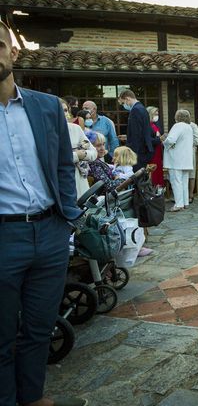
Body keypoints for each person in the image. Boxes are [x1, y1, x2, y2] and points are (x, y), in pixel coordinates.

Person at [0, 21, 86, 406]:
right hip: (4, 238)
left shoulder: (46, 106)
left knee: (38, 329)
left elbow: (64, 165)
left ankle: (32, 398)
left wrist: (67, 215)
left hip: (50, 233)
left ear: (13, 51)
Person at [61, 100, 97, 199]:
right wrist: (76, 155)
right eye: (60, 110)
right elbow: (54, 159)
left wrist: (83, 154)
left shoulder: (75, 129)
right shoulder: (47, 132)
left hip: (81, 180)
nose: (64, 113)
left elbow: (94, 153)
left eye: (65, 110)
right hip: (62, 183)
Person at [162, 109, 194, 212]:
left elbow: (171, 140)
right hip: (186, 158)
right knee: (184, 181)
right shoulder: (189, 127)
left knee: (176, 181)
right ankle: (185, 202)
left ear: (178, 117)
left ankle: (178, 204)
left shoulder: (177, 126)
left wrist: (164, 142)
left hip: (176, 158)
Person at [117, 89, 154, 172]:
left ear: (127, 99)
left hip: (137, 152)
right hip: (144, 149)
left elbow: (136, 134)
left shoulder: (135, 110)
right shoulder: (142, 108)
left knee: (137, 179)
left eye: (123, 103)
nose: (123, 106)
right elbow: (142, 131)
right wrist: (127, 136)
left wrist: (131, 154)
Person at [146, 106, 164, 187]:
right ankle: (153, 186)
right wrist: (159, 139)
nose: (157, 116)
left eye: (157, 114)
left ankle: (158, 186)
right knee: (154, 170)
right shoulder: (147, 126)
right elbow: (148, 140)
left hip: (158, 151)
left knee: (158, 169)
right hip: (152, 152)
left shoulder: (155, 124)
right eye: (155, 114)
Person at [188, 118, 198, 203]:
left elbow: (197, 140)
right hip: (180, 152)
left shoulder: (193, 126)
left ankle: (190, 195)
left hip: (190, 151)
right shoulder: (177, 126)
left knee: (191, 174)